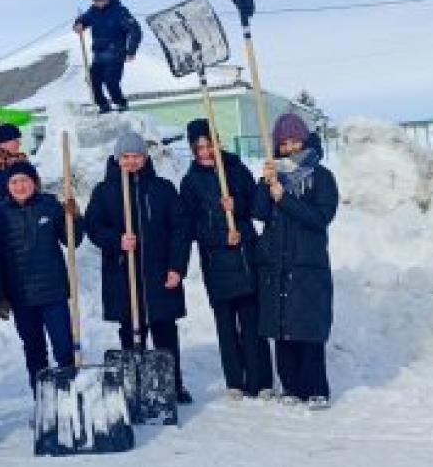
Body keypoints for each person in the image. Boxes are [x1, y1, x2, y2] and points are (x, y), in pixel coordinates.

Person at [85, 132, 193, 404]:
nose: (131, 162)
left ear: (145, 158)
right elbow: (93, 227)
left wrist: (176, 267)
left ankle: (173, 384)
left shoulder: (162, 189)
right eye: (126, 157)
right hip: (124, 276)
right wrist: (117, 240)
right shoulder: (104, 191)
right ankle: (135, 386)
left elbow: (180, 229)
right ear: (117, 158)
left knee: (165, 331)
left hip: (159, 274)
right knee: (130, 333)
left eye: (136, 156)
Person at [179, 119, 272, 400]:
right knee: (226, 325)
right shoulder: (190, 182)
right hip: (216, 262)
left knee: (253, 322)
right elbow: (190, 227)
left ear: (217, 142)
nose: (205, 152)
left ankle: (261, 381)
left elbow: (257, 207)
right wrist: (221, 238)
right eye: (199, 147)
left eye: (209, 145)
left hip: (245, 259)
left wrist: (237, 206)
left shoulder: (236, 170)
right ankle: (235, 380)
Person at [252, 113, 339, 410]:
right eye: (284, 142)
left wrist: (284, 198)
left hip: (307, 264)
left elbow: (319, 218)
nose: (289, 147)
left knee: (309, 329)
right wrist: (266, 185)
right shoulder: (273, 174)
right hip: (276, 263)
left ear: (304, 140)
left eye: (295, 141)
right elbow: (260, 213)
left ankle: (316, 389)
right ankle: (290, 386)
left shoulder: (322, 177)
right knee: (282, 328)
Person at [0, 161, 82, 396]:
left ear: (34, 182)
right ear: (8, 186)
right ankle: (43, 400)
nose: (20, 186)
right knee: (34, 350)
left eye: (24, 180)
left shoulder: (49, 205)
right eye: (14, 182)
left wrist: (75, 218)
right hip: (21, 296)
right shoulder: (0, 214)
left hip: (53, 292)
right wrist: (0, 295)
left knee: (63, 347)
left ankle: (71, 396)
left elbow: (72, 241)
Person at [73, 0, 142, 114]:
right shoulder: (93, 12)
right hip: (98, 56)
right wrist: (78, 24)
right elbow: (82, 19)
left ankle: (121, 103)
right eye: (95, 1)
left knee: (111, 81)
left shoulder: (120, 11)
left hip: (116, 54)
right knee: (92, 81)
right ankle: (103, 106)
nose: (98, 3)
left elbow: (135, 30)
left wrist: (131, 51)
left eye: (100, 0)